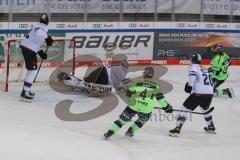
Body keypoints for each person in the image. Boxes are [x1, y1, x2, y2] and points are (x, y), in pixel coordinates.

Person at [103, 67, 173, 139]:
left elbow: (128, 94)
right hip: (146, 109)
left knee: (122, 121)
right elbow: (161, 100)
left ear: (144, 74)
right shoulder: (156, 86)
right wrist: (167, 108)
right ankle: (131, 131)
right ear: (152, 75)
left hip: (134, 105)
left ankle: (110, 132)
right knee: (141, 121)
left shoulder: (137, 82)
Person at [169, 54, 216, 137]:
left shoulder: (193, 67)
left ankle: (177, 129)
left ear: (193, 60)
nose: (190, 60)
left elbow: (193, 76)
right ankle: (211, 126)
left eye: (191, 58)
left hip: (199, 93)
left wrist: (189, 86)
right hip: (210, 93)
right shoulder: (203, 68)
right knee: (205, 109)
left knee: (184, 109)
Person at [20, 14, 53, 102]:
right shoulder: (41, 27)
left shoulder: (37, 26)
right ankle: (25, 93)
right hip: (29, 50)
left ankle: (25, 90)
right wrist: (47, 38)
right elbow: (39, 33)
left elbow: (35, 41)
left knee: (31, 70)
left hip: (27, 48)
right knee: (33, 71)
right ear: (47, 21)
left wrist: (41, 52)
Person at [57, 58, 131, 95]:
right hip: (105, 79)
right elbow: (125, 88)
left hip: (101, 70)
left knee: (86, 81)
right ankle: (83, 86)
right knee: (92, 85)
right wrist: (125, 90)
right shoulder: (125, 73)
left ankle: (79, 84)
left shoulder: (117, 66)